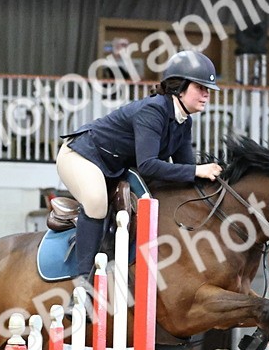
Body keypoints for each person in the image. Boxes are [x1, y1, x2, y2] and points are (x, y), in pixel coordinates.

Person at [57, 50, 224, 275]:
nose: (206, 95)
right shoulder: (153, 110)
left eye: (209, 90)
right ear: (179, 87)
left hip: (113, 166)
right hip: (81, 156)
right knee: (97, 203)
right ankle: (83, 281)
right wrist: (198, 170)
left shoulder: (184, 122)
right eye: (200, 88)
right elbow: (148, 165)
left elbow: (185, 170)